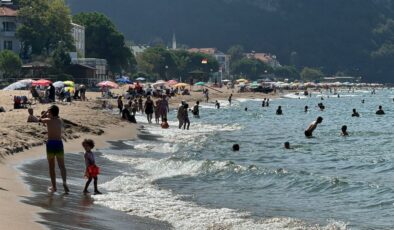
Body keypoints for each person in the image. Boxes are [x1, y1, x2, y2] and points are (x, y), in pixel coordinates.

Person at [39, 105, 69, 193]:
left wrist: (45, 113)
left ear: (51, 113)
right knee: (62, 166)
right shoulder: (60, 121)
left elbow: (40, 119)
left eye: (49, 112)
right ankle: (64, 182)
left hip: (51, 144)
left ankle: (54, 187)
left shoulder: (48, 120)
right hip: (59, 144)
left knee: (52, 167)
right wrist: (50, 112)